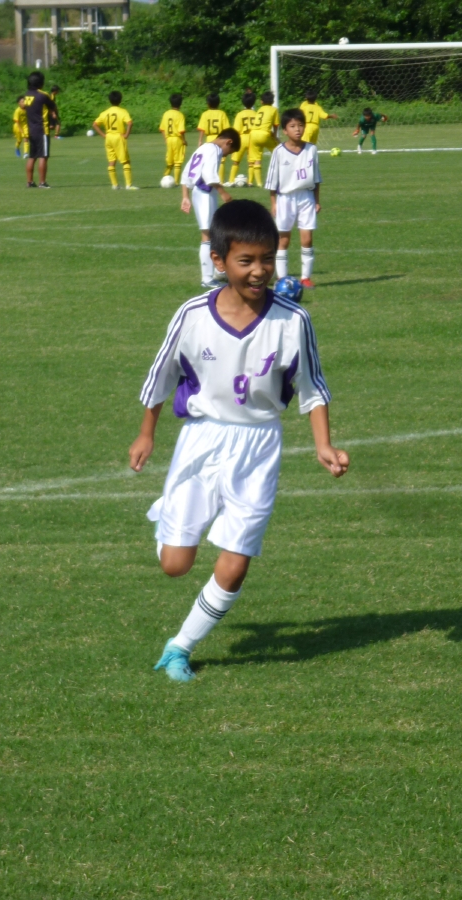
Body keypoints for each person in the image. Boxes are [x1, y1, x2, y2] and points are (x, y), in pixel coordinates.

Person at [130, 199, 349, 683]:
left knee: (235, 564)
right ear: (219, 260)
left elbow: (313, 388)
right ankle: (170, 511)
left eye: (267, 259)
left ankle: (180, 647)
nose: (259, 271)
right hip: (202, 440)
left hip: (259, 447)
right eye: (246, 260)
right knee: (175, 565)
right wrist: (146, 433)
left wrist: (324, 445)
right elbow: (160, 376)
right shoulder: (192, 315)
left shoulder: (293, 320)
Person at [266, 109, 321, 288]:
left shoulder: (311, 149)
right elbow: (272, 180)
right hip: (285, 198)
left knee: (307, 239)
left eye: (300, 125)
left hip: (306, 197)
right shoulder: (279, 151)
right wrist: (273, 203)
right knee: (284, 239)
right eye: (292, 126)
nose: (297, 129)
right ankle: (282, 277)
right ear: (284, 130)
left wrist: (317, 200)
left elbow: (316, 178)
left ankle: (305, 277)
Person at [181, 128, 238, 286]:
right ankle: (207, 278)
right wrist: (223, 192)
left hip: (197, 192)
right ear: (228, 142)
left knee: (210, 234)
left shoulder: (203, 147)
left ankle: (217, 272)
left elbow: (186, 174)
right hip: (205, 192)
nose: (225, 155)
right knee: (208, 235)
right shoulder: (215, 150)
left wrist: (185, 196)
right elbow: (208, 175)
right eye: (229, 152)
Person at [18, 72, 58, 188]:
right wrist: (53, 119)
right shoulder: (43, 95)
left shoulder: (27, 95)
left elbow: (25, 107)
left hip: (31, 129)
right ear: (41, 83)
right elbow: (53, 106)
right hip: (42, 129)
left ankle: (30, 182)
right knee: (43, 156)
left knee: (32, 156)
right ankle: (42, 182)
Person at [94, 90, 137, 190]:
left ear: (110, 100)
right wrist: (126, 134)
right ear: (120, 100)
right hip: (118, 137)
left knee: (112, 161)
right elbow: (130, 123)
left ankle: (115, 185)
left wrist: (103, 135)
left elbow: (95, 124)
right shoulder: (122, 111)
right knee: (126, 162)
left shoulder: (105, 112)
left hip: (109, 138)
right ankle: (129, 185)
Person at [248, 90, 280, 187]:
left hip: (253, 134)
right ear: (273, 101)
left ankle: (258, 183)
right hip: (264, 134)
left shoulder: (260, 109)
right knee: (279, 151)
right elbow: (276, 124)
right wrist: (275, 136)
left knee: (256, 159)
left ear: (261, 102)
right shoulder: (274, 110)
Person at [198, 94, 232, 183]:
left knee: (209, 160)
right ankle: (220, 181)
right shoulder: (222, 114)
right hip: (220, 139)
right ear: (219, 103)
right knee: (221, 161)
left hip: (209, 139)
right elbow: (227, 129)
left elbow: (202, 129)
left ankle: (208, 180)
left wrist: (200, 141)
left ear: (208, 103)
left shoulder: (205, 114)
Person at [228, 92, 257, 185]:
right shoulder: (256, 114)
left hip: (242, 137)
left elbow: (236, 129)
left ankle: (231, 181)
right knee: (251, 162)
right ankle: (250, 182)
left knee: (236, 161)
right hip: (253, 138)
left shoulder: (240, 114)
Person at [159, 93, 187, 183]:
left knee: (170, 162)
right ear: (180, 103)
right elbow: (181, 130)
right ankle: (176, 182)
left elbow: (162, 129)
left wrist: (165, 139)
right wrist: (184, 140)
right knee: (178, 162)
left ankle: (164, 179)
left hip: (169, 139)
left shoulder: (166, 114)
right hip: (177, 139)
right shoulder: (180, 115)